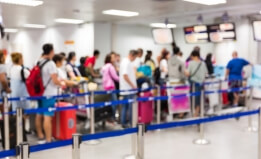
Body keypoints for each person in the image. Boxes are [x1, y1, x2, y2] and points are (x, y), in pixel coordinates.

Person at [35, 44, 65, 144]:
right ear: (51, 51)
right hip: (49, 93)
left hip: (39, 92)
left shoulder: (38, 61)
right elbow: (55, 80)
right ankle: (48, 139)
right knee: (48, 116)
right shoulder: (51, 63)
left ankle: (40, 135)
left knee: (39, 114)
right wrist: (61, 83)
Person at [185, 50, 208, 117]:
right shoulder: (203, 63)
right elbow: (206, 73)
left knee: (194, 99)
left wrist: (184, 71)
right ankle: (199, 112)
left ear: (192, 56)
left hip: (194, 84)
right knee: (200, 98)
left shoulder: (191, 63)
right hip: (201, 84)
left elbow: (188, 73)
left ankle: (195, 113)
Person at [120, 50, 138, 128]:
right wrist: (133, 85)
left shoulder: (126, 62)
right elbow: (125, 75)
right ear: (132, 55)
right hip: (128, 89)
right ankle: (130, 123)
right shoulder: (126, 62)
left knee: (126, 106)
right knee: (130, 107)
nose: (135, 59)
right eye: (135, 57)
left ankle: (124, 122)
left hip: (126, 88)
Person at [101, 54, 119, 121]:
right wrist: (122, 80)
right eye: (113, 57)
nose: (114, 58)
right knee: (114, 102)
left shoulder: (104, 66)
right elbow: (115, 77)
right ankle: (112, 117)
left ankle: (108, 117)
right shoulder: (110, 67)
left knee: (108, 102)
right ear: (110, 59)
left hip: (105, 86)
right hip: (111, 86)